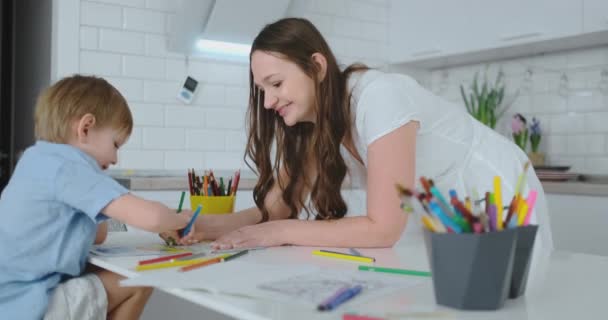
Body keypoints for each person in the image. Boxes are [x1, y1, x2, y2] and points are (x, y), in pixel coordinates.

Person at [172, 17, 552, 256]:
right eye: (262, 90)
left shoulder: (378, 97)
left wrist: (277, 233)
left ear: (317, 66)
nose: (268, 101)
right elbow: (277, 208)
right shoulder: (312, 123)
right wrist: (207, 227)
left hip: (499, 193)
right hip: (452, 216)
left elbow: (384, 227)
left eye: (275, 84)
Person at [0, 75, 194, 320]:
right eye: (115, 144)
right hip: (27, 305)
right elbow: (153, 217)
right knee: (140, 279)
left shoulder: (35, 159)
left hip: (8, 298)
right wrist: (178, 219)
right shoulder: (68, 166)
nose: (115, 160)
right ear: (86, 128)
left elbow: (98, 235)